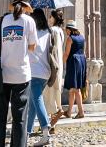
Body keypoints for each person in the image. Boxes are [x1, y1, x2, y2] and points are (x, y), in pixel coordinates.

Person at [0, 0, 37, 147]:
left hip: (2, 74)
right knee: (20, 118)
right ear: (26, 6)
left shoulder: (2, 21)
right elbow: (32, 46)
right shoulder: (29, 21)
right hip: (22, 75)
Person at [27, 8, 58, 146]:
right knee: (33, 103)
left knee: (37, 100)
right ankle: (26, 133)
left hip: (34, 72)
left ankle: (46, 132)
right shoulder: (48, 31)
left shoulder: (31, 32)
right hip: (45, 73)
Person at [62, 20, 87, 119]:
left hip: (74, 63)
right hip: (81, 62)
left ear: (69, 30)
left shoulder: (70, 38)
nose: (65, 31)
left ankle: (81, 112)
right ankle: (69, 112)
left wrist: (60, 64)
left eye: (66, 30)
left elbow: (67, 53)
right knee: (72, 89)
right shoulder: (82, 37)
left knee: (76, 89)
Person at [45, 9, 66, 127]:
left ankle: (54, 115)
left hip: (52, 63)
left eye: (50, 17)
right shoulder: (61, 31)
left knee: (50, 91)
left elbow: (49, 48)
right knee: (55, 89)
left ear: (53, 18)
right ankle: (52, 124)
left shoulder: (52, 30)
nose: (48, 19)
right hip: (59, 63)